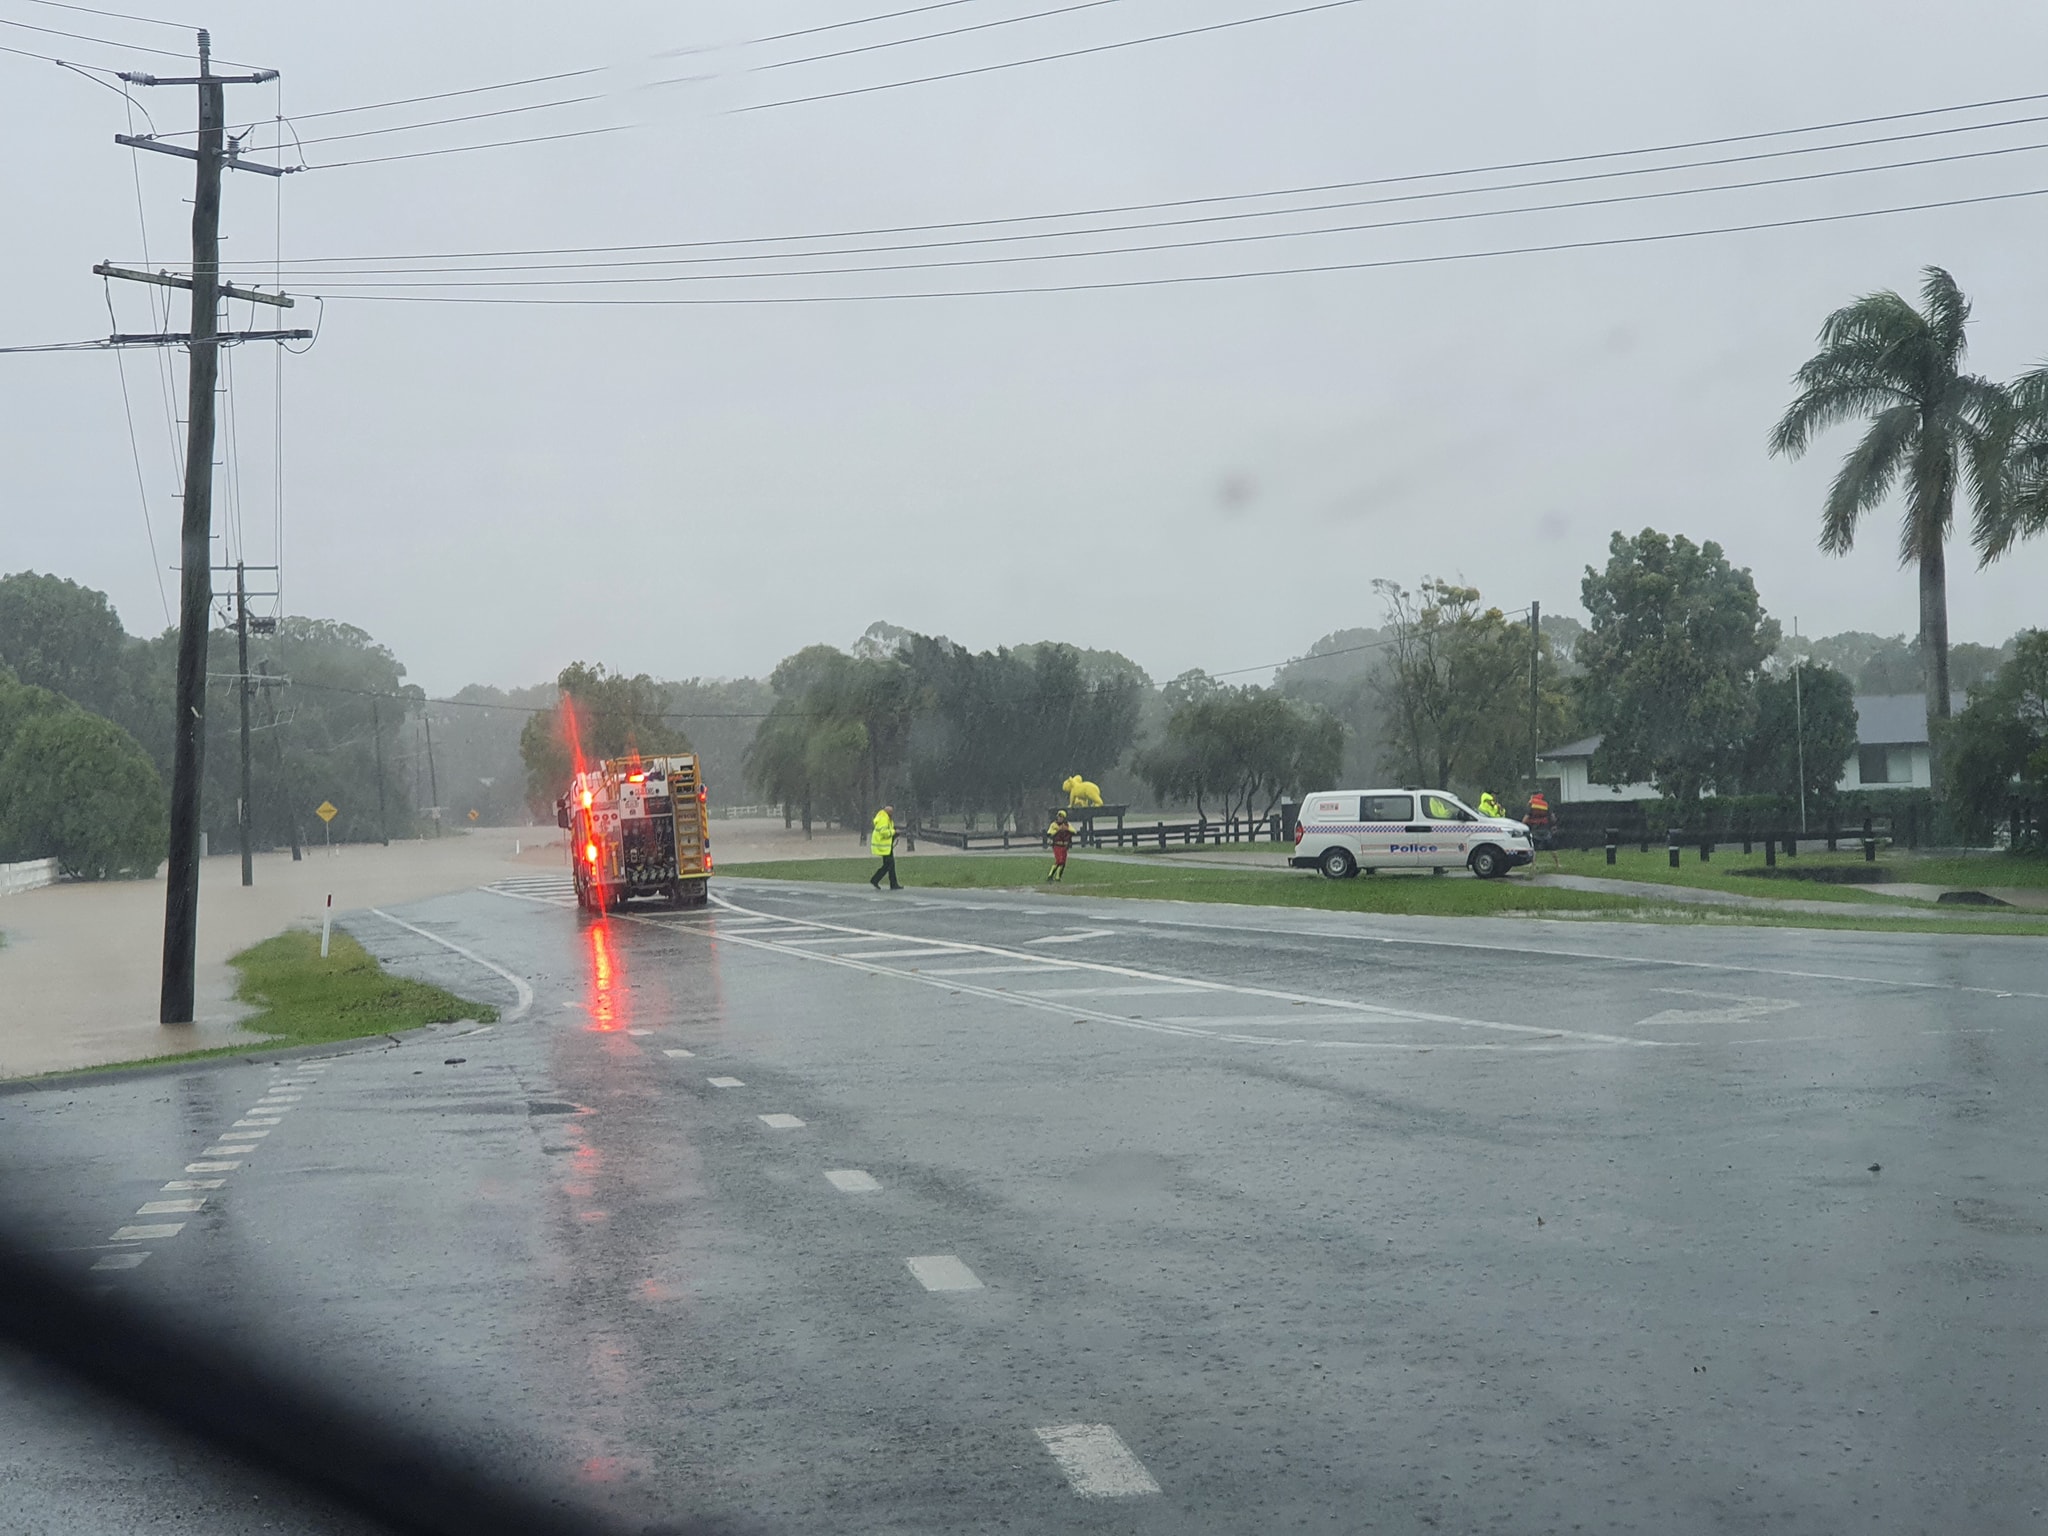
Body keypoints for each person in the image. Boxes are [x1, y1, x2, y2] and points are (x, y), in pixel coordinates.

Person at [868, 805, 901, 890]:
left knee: (890, 865)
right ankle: (875, 879)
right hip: (884, 846)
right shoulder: (884, 819)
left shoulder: (885, 818)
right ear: (888, 812)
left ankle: (893, 884)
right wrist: (894, 832)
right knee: (889, 865)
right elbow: (884, 832)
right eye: (891, 812)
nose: (892, 814)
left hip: (886, 845)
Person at [1045, 809, 1076, 882]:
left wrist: (1067, 829)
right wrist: (1058, 830)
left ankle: (1058, 877)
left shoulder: (1067, 825)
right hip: (1057, 845)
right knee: (1059, 861)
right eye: (1059, 817)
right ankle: (1050, 875)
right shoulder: (1053, 825)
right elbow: (1049, 833)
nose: (1060, 818)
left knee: (1063, 862)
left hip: (1064, 846)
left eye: (1062, 817)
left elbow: (1074, 831)